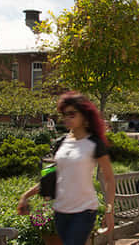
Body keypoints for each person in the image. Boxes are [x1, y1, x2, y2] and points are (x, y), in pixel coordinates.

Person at [17, 92, 115, 245]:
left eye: (72, 114)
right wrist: (26, 195)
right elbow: (54, 176)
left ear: (84, 115)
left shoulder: (94, 143)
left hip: (84, 211)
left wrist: (109, 211)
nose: (66, 118)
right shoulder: (61, 142)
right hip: (61, 211)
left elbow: (109, 178)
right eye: (64, 114)